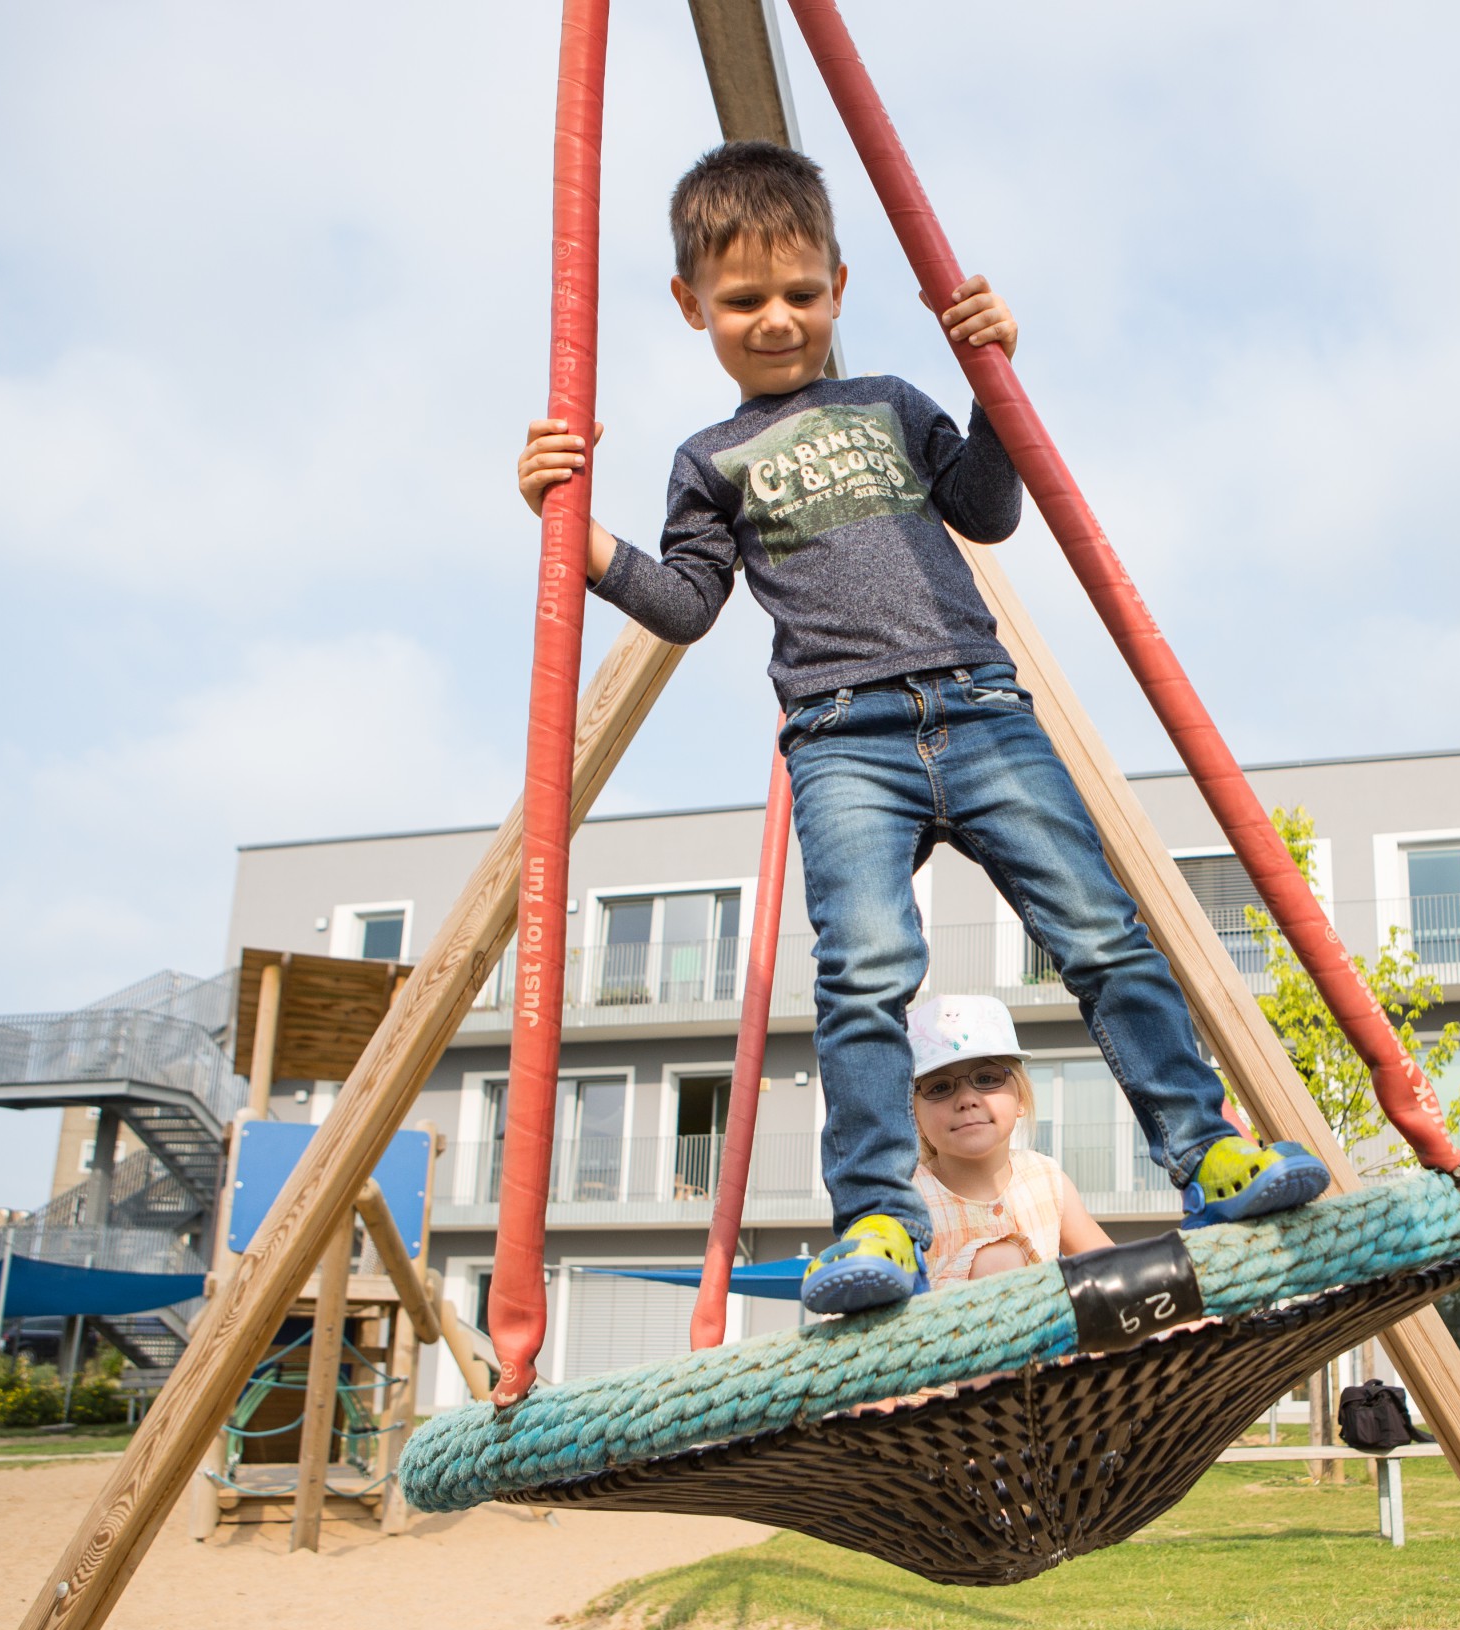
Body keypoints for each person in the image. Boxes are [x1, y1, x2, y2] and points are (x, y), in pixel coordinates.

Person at [517, 141, 1326, 1317]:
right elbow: (686, 604)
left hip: (979, 705)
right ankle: (880, 1223)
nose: (778, 319)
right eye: (744, 301)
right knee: (860, 977)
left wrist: (991, 381)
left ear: (839, 287)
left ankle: (1204, 1152)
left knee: (1101, 934)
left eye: (801, 293)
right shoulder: (710, 458)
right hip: (845, 736)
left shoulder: (892, 402)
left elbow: (988, 507)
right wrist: (574, 529)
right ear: (692, 306)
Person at [904, 996, 1110, 1286]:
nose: (966, 1099)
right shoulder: (906, 1197)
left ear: (1021, 1098)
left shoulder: (1047, 1179)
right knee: (1001, 1260)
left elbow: (1112, 1268)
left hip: (1051, 1330)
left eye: (987, 1079)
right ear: (915, 1117)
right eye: (939, 1087)